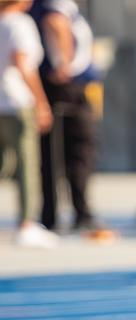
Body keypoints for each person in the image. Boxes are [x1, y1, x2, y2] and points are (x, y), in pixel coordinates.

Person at [29, 0, 104, 233]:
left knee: (57, 151)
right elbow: (55, 21)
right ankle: (76, 212)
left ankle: (54, 213)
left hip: (66, 84)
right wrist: (64, 62)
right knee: (75, 149)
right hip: (66, 86)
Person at [0, 0, 59, 248]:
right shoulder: (19, 24)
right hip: (16, 100)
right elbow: (23, 63)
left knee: (5, 163)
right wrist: (40, 101)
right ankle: (27, 222)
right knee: (27, 164)